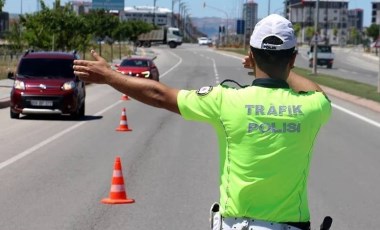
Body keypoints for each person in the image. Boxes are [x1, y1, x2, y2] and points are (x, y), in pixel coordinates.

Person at [73, 14, 331, 230]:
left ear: (250, 55)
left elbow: (160, 95)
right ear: (293, 59)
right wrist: (284, 69)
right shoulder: (312, 106)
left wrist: (110, 76)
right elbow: (317, 92)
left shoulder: (226, 100)